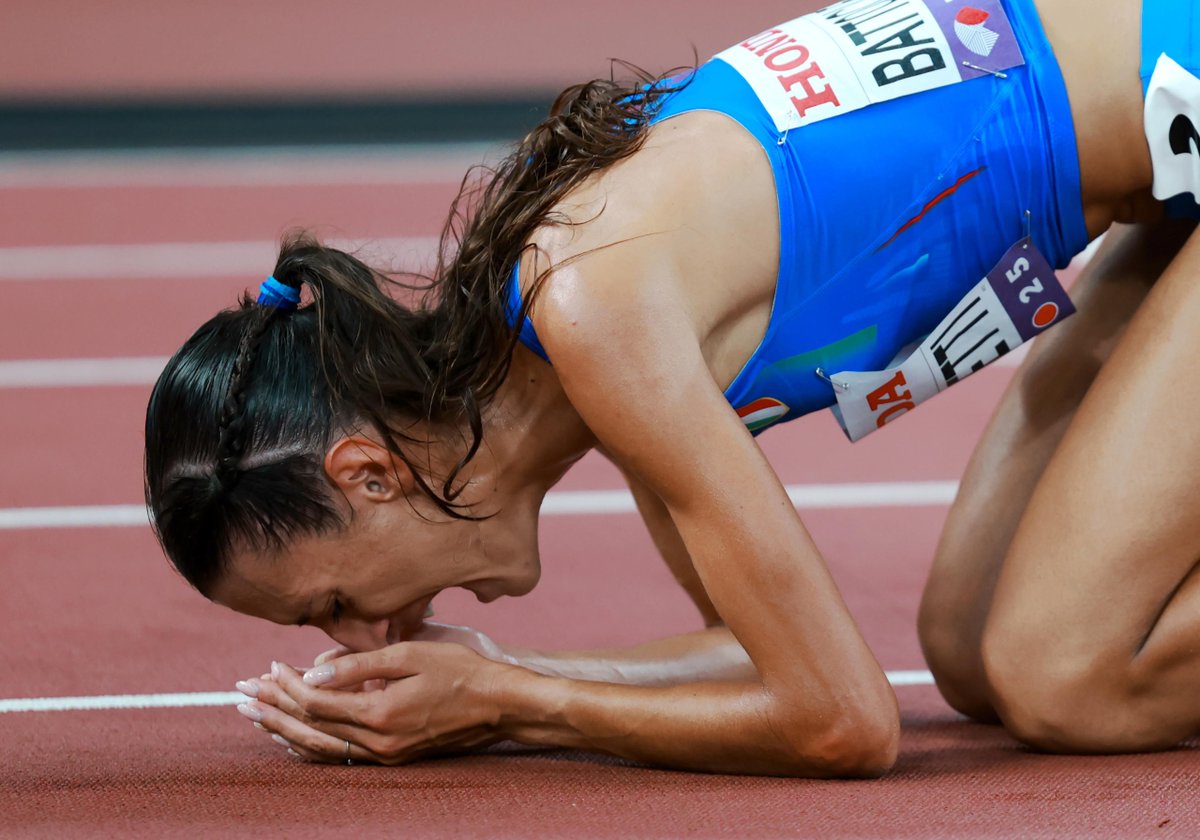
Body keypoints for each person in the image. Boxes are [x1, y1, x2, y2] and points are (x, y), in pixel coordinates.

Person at [144, 0, 1200, 775]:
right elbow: (749, 656)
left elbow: (843, 721)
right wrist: (493, 673)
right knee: (968, 653)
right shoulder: (554, 342)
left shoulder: (595, 311)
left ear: (367, 473)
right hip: (1171, 181)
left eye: (332, 602)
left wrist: (514, 699)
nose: (370, 634)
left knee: (1065, 672)